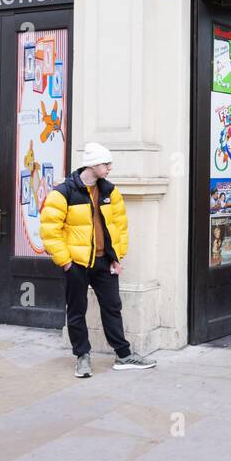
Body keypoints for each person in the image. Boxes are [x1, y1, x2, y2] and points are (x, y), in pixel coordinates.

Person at [40, 142, 156, 377]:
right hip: (77, 263)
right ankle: (82, 357)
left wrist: (117, 256)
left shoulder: (109, 191)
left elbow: (119, 226)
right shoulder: (63, 192)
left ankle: (123, 355)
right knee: (76, 310)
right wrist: (65, 261)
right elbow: (50, 229)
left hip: (104, 261)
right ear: (92, 164)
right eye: (106, 163)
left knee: (112, 307)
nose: (110, 168)